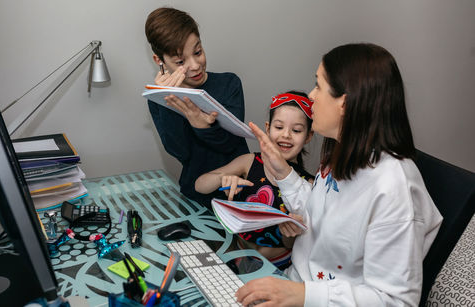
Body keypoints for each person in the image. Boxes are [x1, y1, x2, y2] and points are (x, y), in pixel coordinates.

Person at [235, 43, 443, 306]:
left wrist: (303, 295)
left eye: (318, 86)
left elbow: (395, 301)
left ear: (344, 102)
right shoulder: (343, 153)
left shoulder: (392, 185)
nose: (311, 96)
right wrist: (284, 173)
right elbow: (321, 217)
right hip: (293, 285)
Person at [195, 91, 315, 268]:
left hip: (277, 265)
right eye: (279, 127)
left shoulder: (308, 185)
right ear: (267, 128)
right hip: (237, 252)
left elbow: (293, 245)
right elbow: (200, 186)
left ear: (308, 136)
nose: (286, 135)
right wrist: (223, 178)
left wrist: (288, 232)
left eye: (296, 130)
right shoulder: (250, 161)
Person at [144, 7, 249, 207]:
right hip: (195, 198)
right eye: (181, 61)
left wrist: (202, 126)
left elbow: (231, 144)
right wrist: (167, 99)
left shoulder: (229, 84)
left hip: (238, 191)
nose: (195, 65)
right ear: (159, 60)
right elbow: (180, 152)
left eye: (198, 52)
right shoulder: (157, 98)